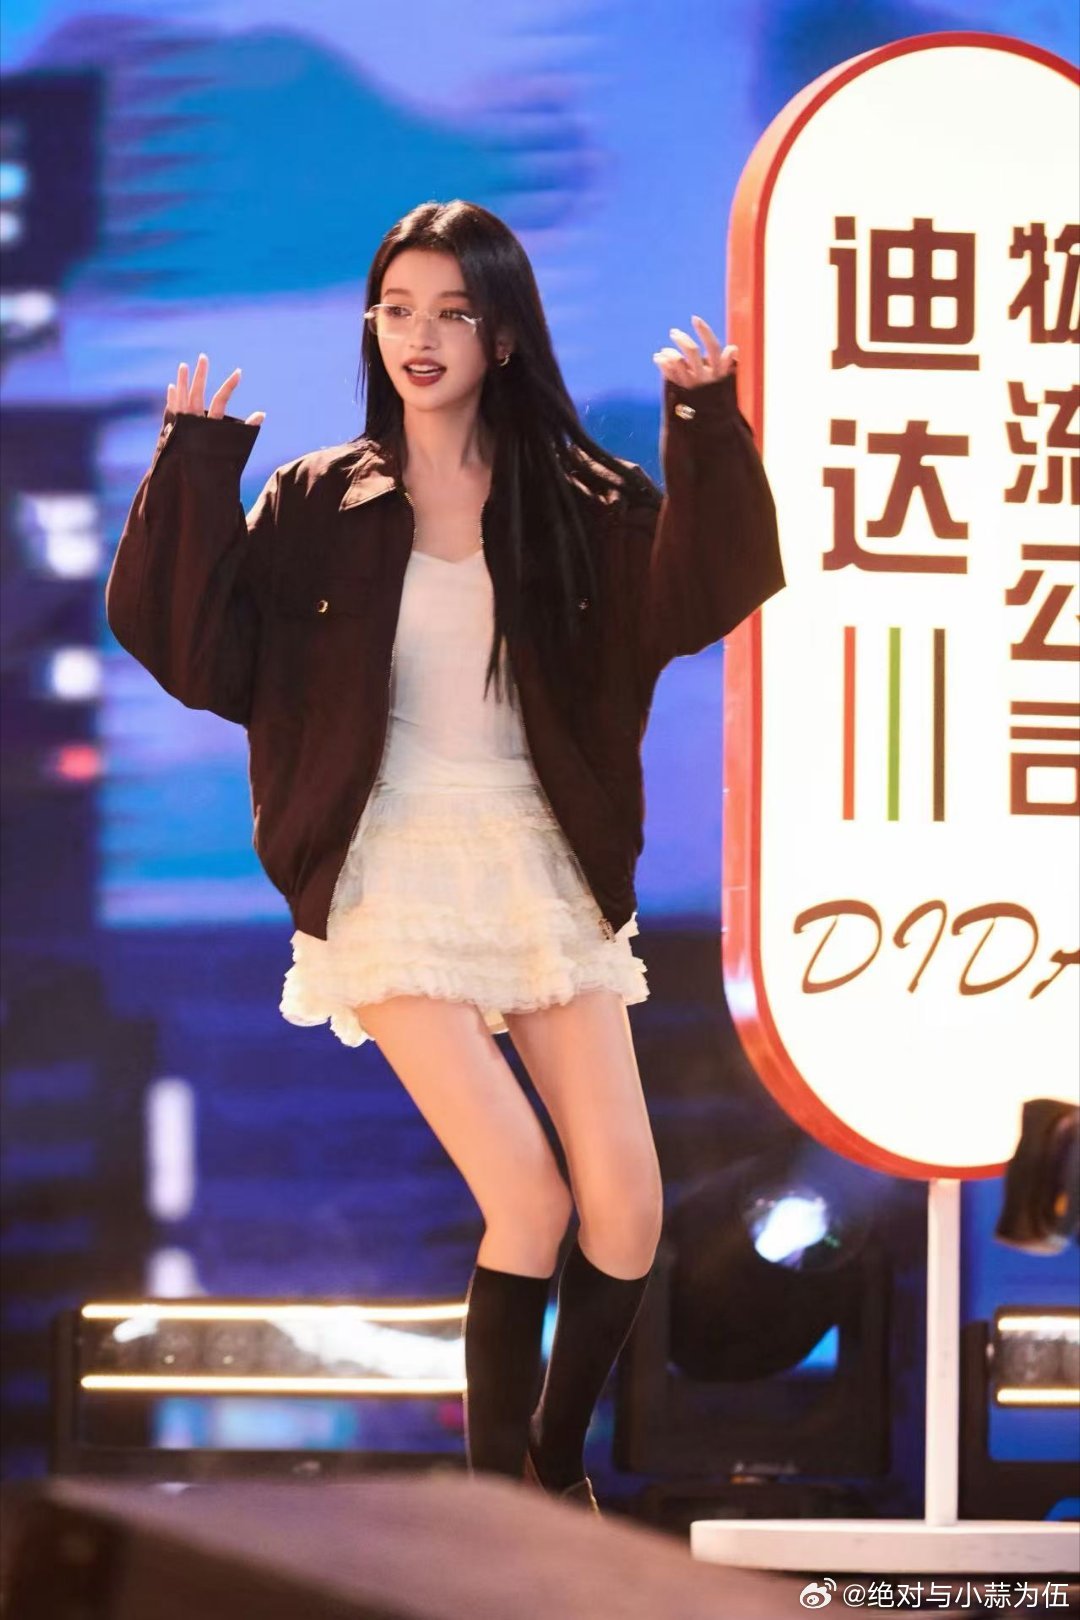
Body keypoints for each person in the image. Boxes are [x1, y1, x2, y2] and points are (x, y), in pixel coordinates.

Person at [106, 198, 784, 1511]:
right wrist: (191, 468)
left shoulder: (581, 500)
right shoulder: (322, 498)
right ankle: (508, 1514)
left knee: (628, 1210)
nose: (420, 337)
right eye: (399, 310)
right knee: (526, 1195)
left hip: (538, 858)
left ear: (503, 336)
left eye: (453, 313)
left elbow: (702, 593)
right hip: (386, 863)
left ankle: (547, 1466)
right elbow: (197, 648)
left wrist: (706, 425)